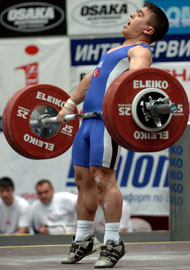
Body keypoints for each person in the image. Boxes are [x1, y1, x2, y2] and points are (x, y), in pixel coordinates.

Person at [57, 2, 169, 268]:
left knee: (103, 178)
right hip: (87, 122)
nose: (132, 15)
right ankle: (84, 238)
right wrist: (70, 104)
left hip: (106, 123)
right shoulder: (113, 51)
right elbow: (91, 80)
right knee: (83, 179)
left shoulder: (140, 50)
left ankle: (112, 242)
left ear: (149, 29)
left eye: (139, 15)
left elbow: (136, 81)